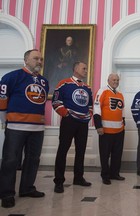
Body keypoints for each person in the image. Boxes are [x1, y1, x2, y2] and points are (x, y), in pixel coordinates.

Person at [0, 49, 49, 208]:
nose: (39, 61)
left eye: (41, 59)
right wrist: (4, 120)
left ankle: (27, 188)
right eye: (36, 58)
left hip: (37, 129)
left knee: (33, 160)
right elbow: (2, 100)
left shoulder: (44, 81)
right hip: (16, 126)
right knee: (10, 160)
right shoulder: (11, 77)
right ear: (26, 60)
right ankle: (7, 193)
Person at [52, 61, 93, 193]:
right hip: (69, 121)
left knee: (81, 151)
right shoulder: (64, 83)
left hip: (83, 123)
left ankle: (78, 178)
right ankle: (59, 181)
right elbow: (56, 101)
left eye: (86, 69)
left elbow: (91, 105)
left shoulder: (88, 87)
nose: (86, 70)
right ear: (75, 69)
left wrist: (89, 115)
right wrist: (66, 113)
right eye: (84, 68)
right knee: (63, 150)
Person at [93, 73, 125, 185]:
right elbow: (96, 108)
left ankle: (115, 173)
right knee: (105, 154)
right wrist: (98, 126)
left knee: (117, 154)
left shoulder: (120, 94)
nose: (116, 81)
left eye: (117, 80)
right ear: (108, 80)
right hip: (105, 130)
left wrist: (123, 125)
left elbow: (122, 111)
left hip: (119, 130)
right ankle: (105, 175)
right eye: (113, 80)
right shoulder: (102, 91)